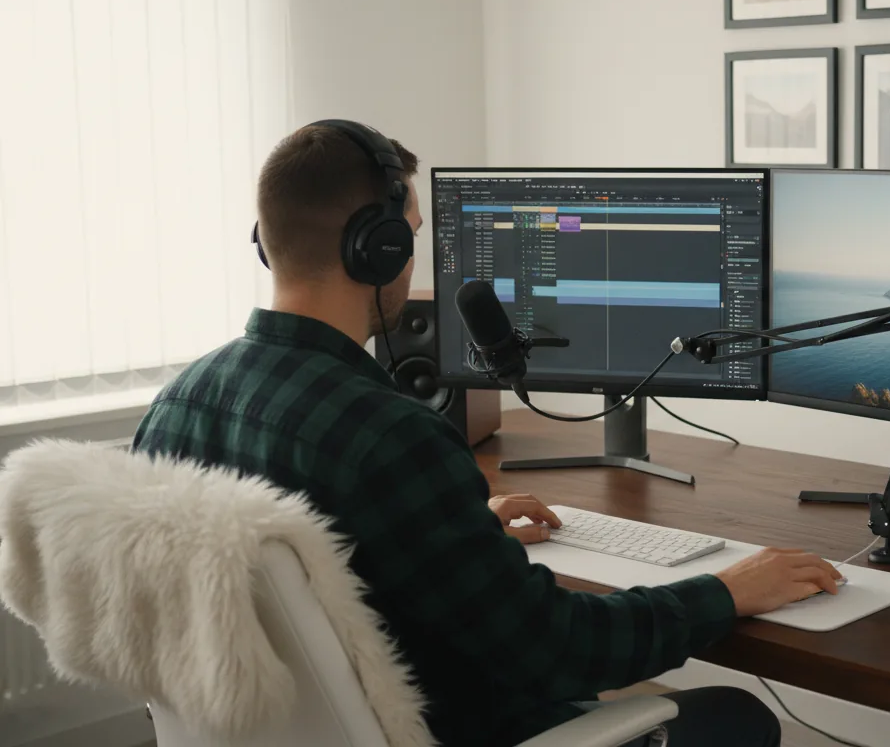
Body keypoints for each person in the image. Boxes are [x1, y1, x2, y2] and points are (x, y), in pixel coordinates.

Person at [133, 122, 843, 747]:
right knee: (733, 716)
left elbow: (319, 558)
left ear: (268, 243)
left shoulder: (176, 404)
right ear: (374, 251)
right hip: (447, 728)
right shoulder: (392, 438)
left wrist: (456, 529)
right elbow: (558, 652)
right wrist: (725, 591)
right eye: (409, 235)